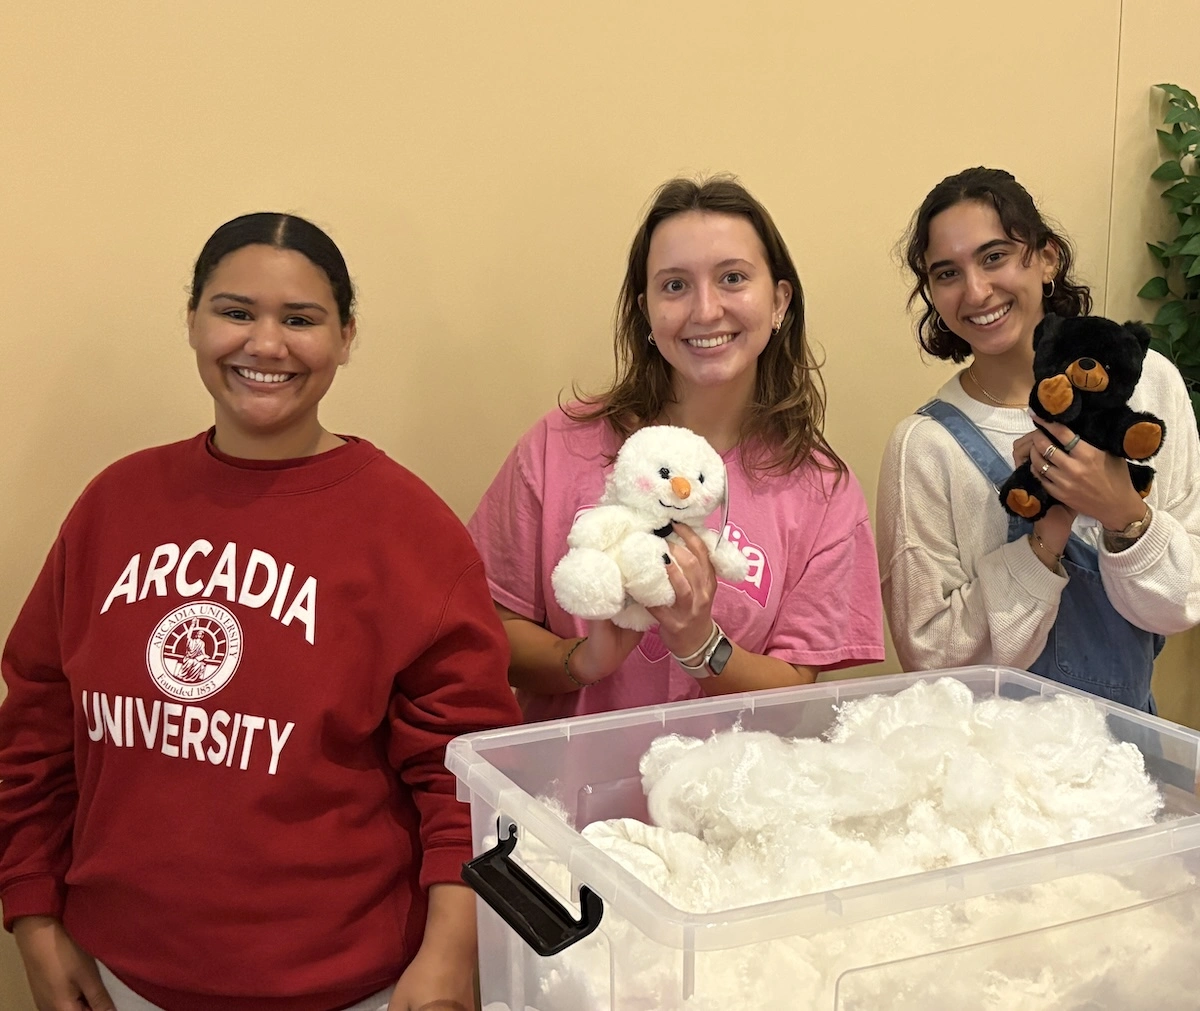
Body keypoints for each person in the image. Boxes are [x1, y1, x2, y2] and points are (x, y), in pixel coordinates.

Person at [0, 213, 521, 1011]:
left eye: (301, 319)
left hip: (351, 987)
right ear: (193, 320)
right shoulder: (114, 505)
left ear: (347, 336)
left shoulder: (408, 529)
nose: (265, 344)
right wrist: (32, 912)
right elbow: (36, 727)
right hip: (118, 978)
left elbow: (467, 769)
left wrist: (453, 951)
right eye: (236, 311)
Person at [469, 176, 885, 724]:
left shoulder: (822, 489)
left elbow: (795, 687)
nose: (706, 310)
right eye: (674, 286)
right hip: (564, 797)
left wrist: (701, 644)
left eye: (733, 278)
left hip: (731, 796)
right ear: (646, 310)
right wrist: (584, 660)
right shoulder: (557, 445)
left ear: (780, 300)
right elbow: (487, 627)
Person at [877, 167, 1200, 711]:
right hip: (988, 773)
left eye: (995, 256)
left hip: (1125, 755)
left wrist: (1121, 510)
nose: (976, 291)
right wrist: (1046, 536)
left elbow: (1182, 602)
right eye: (947, 273)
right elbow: (931, 661)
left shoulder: (1149, 383)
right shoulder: (925, 445)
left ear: (1047, 257)